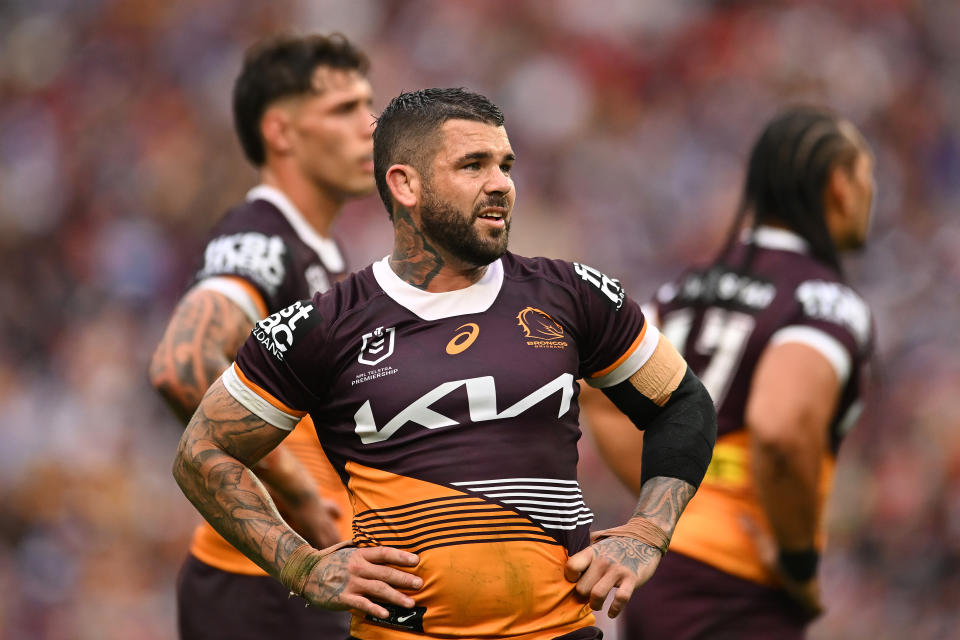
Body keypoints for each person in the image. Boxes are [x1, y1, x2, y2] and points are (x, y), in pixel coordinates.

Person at [171, 87, 717, 640]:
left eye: (506, 165)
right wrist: (300, 564)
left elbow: (681, 402)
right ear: (405, 184)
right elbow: (202, 451)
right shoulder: (324, 325)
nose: (501, 183)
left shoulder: (574, 295)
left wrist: (647, 531)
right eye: (473, 165)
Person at [583, 106, 876, 639]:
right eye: (866, 174)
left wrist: (674, 503)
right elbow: (782, 429)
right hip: (737, 587)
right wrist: (798, 563)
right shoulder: (825, 300)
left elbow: (599, 393)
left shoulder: (684, 289)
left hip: (660, 570)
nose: (871, 191)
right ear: (839, 185)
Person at [149, 33, 376, 639]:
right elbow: (183, 362)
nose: (370, 125)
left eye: (368, 104)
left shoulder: (320, 252)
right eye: (344, 109)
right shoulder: (261, 240)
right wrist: (298, 494)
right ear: (281, 132)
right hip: (264, 587)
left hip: (298, 583)